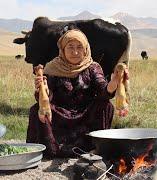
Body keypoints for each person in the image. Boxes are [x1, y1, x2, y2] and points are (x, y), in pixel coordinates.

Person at [26, 29, 127, 157]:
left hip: (86, 114)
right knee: (36, 109)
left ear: (86, 49)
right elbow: (45, 100)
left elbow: (103, 91)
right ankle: (50, 149)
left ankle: (97, 146)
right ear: (63, 49)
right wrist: (44, 91)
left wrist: (114, 83)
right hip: (59, 113)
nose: (75, 52)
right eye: (70, 47)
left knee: (106, 106)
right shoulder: (51, 68)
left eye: (79, 47)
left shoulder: (92, 67)